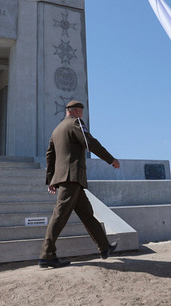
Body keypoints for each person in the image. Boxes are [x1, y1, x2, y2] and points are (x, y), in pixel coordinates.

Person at [38, 100, 120, 268]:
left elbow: (49, 156)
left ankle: (104, 248)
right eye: (82, 112)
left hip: (66, 178)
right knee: (60, 215)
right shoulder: (76, 123)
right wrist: (110, 159)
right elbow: (89, 142)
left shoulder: (56, 130)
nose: (83, 115)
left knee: (87, 213)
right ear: (75, 111)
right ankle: (47, 255)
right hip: (72, 177)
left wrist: (51, 180)